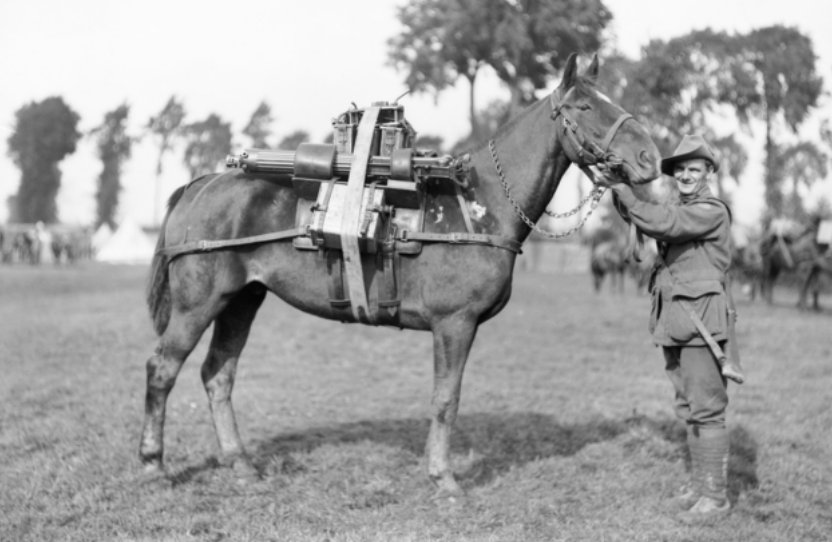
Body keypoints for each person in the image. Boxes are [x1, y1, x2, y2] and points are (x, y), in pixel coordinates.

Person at [598, 134, 740, 523]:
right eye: (680, 170)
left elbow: (667, 223)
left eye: (695, 168)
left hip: (702, 323)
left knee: (707, 410)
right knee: (689, 407)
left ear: (709, 172)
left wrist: (627, 194)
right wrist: (621, 190)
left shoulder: (710, 211)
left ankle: (715, 498)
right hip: (677, 321)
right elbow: (653, 221)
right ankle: (700, 487)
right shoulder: (682, 208)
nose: (686, 176)